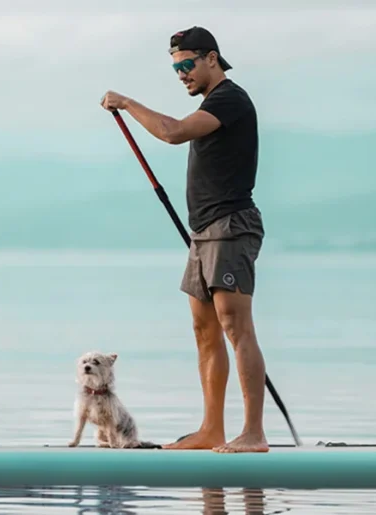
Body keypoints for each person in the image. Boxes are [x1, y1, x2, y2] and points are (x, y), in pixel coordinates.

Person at [98, 26, 269, 453]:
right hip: (203, 232)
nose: (182, 74)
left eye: (188, 64)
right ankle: (211, 430)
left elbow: (173, 132)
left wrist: (127, 103)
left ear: (212, 58)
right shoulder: (212, 103)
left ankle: (253, 433)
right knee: (204, 330)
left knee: (235, 326)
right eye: (176, 69)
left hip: (231, 226)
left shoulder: (230, 98)